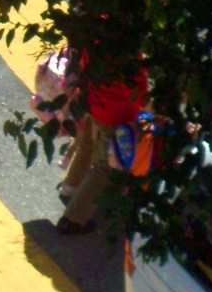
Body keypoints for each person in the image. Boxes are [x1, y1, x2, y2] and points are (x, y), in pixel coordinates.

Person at [57, 53, 149, 234]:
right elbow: (139, 96)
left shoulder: (99, 34)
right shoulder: (130, 58)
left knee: (87, 144)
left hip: (94, 101)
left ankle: (70, 187)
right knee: (104, 167)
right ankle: (73, 219)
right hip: (115, 115)